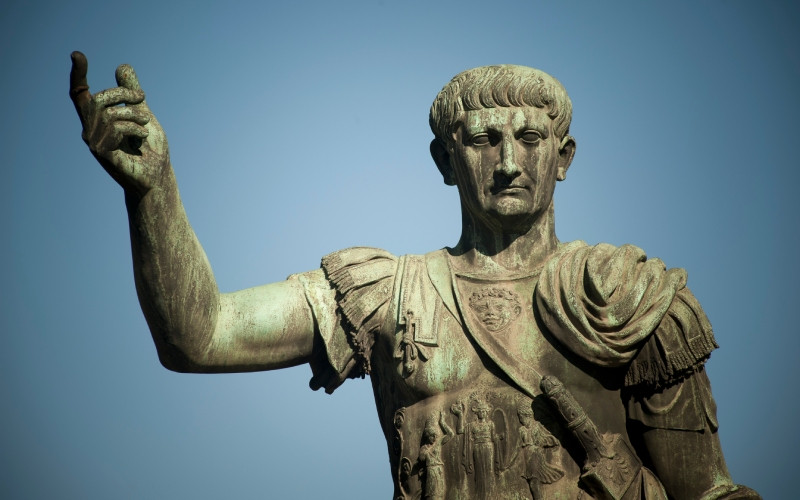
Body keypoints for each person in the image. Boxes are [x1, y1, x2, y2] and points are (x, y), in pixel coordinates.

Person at [69, 52, 760, 499]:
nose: (510, 163)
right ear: (444, 160)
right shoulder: (385, 295)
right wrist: (152, 190)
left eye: (529, 139)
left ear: (564, 155)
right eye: (486, 141)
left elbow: (708, 492)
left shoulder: (628, 297)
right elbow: (202, 335)